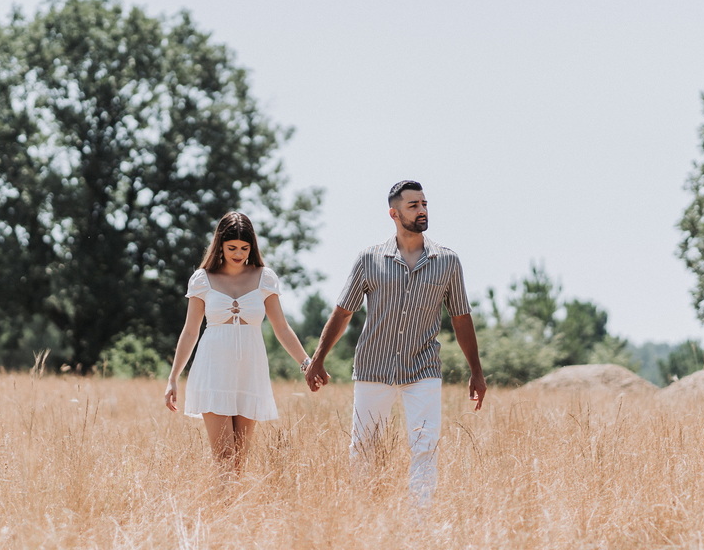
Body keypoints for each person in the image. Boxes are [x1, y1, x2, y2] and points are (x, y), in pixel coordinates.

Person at [305, 180, 486, 503]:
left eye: (424, 204)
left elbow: (461, 317)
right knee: (364, 446)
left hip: (423, 367)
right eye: (413, 206)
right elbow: (343, 312)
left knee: (425, 445)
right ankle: (365, 515)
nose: (422, 211)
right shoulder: (368, 259)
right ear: (394, 213)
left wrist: (476, 371)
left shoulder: (447, 261)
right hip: (374, 366)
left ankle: (420, 525)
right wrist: (318, 358)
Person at [165, 212, 312, 473]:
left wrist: (306, 363)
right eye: (232, 247)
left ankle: (233, 513)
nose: (238, 253)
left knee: (239, 461)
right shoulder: (202, 279)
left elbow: (281, 327)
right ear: (220, 244)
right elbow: (190, 331)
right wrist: (173, 377)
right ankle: (221, 512)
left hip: (250, 372)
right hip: (213, 371)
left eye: (244, 248)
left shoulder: (264, 278)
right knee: (223, 456)